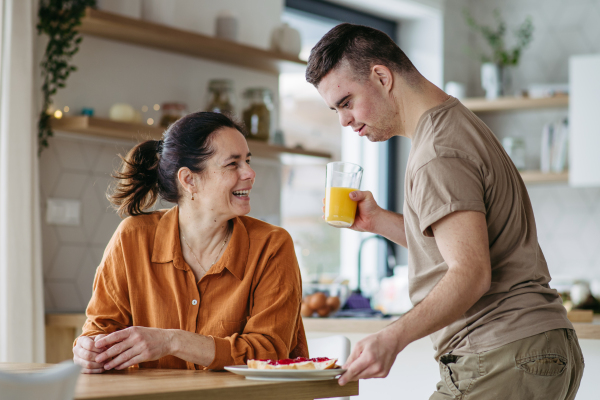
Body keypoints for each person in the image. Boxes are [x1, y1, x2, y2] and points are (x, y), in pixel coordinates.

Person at [307, 23, 583, 399]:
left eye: (346, 102)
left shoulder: (438, 152)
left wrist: (392, 338)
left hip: (499, 352)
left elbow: (471, 273)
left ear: (381, 77)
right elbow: (464, 247)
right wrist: (378, 221)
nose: (344, 120)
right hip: (532, 349)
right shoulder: (455, 124)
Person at [72, 112, 308, 373]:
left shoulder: (272, 245)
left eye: (247, 161)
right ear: (189, 180)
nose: (250, 173)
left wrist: (173, 341)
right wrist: (88, 349)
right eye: (233, 164)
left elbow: (269, 352)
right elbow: (100, 330)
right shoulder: (132, 238)